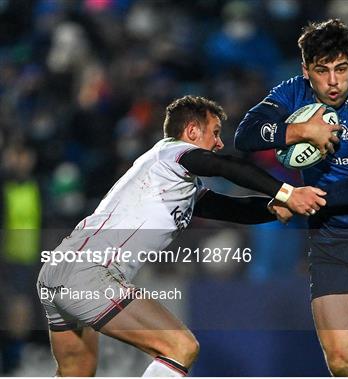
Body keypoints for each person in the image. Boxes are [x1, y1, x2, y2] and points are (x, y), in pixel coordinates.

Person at [36, 95, 326, 377]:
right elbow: (226, 167)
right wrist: (286, 191)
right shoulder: (171, 153)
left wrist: (276, 208)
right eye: (214, 133)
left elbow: (230, 209)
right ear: (191, 131)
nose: (219, 143)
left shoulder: (171, 179)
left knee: (77, 373)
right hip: (90, 272)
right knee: (180, 347)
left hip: (59, 268)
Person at [235, 19, 348, 376]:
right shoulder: (293, 94)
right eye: (322, 71)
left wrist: (297, 198)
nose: (333, 81)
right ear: (306, 71)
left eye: (341, 68)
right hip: (331, 244)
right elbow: (245, 136)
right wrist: (301, 130)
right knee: (341, 362)